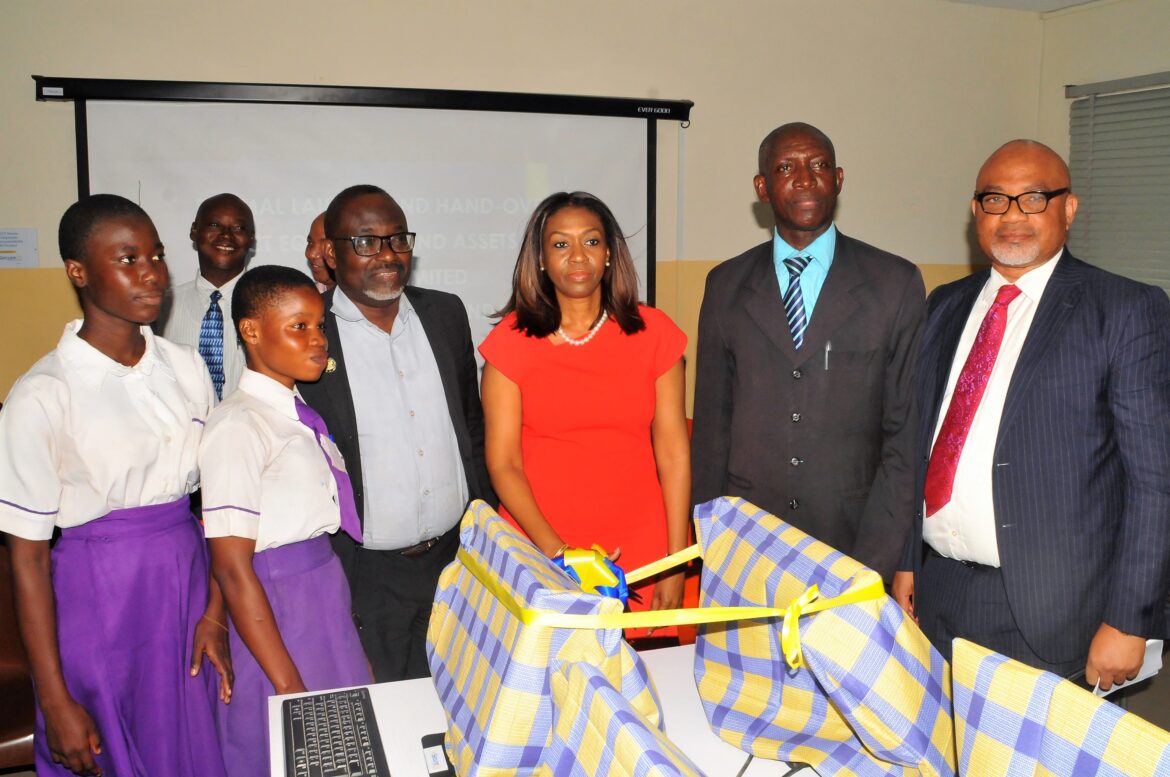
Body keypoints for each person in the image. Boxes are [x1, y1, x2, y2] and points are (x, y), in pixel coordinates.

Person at [893, 140, 1170, 689]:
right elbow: (921, 443)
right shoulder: (944, 304)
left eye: (1034, 198)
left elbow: (1155, 483)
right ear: (976, 211)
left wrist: (1129, 620)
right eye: (996, 199)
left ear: (1069, 208)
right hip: (938, 592)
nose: (1013, 215)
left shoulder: (1124, 310)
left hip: (1057, 613)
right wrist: (907, 560)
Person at [0, 194, 229, 777]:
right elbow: (27, 560)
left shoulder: (186, 368)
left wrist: (215, 610)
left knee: (193, 746)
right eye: (128, 259)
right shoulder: (43, 394)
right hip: (100, 599)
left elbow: (216, 503)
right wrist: (54, 699)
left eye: (156, 255)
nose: (152, 273)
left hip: (186, 584)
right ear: (78, 271)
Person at [691, 122, 925, 580]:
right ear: (762, 188)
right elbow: (712, 431)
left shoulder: (894, 283)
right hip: (747, 541)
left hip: (854, 541)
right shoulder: (725, 285)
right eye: (786, 168)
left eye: (818, 165)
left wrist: (879, 560)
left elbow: (904, 436)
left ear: (838, 179)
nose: (804, 179)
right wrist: (712, 539)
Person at [297, 184, 494, 682]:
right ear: (330, 254)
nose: (387, 254)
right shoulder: (310, 332)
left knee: (460, 700)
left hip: (456, 562)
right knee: (382, 710)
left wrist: (485, 528)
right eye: (366, 241)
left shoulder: (444, 314)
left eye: (398, 239)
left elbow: (471, 426)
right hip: (367, 576)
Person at [479, 191, 691, 617]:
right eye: (560, 244)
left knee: (647, 659)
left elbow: (673, 453)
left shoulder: (655, 333)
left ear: (609, 253)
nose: (577, 256)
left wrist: (676, 560)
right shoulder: (509, 343)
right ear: (540, 259)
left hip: (643, 547)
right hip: (541, 547)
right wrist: (561, 555)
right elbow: (504, 464)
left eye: (591, 241)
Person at [200, 265, 370, 777]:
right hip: (276, 602)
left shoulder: (294, 411)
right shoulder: (238, 425)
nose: (317, 340)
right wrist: (288, 684)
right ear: (251, 331)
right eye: (299, 327)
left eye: (319, 326)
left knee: (342, 748)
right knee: (290, 748)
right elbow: (231, 565)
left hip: (320, 591)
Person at [159, 192, 256, 399]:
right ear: (194, 231)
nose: (226, 235)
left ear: (251, 238)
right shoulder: (160, 307)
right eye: (214, 225)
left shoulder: (272, 308)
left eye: (238, 228)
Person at [305, 211, 335, 292]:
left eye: (325, 245)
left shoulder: (365, 297)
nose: (311, 254)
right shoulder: (308, 296)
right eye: (310, 242)